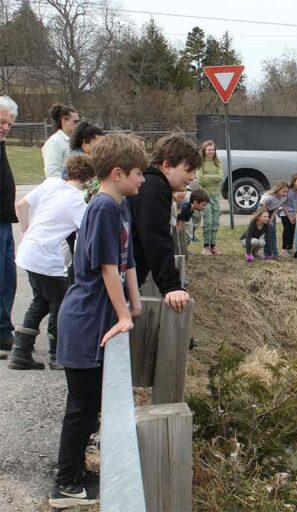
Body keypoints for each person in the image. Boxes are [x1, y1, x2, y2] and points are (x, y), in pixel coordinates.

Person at [49, 133, 147, 508]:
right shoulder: (103, 207)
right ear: (118, 173)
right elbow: (108, 268)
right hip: (85, 321)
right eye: (138, 173)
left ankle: (77, 471)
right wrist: (122, 314)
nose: (142, 180)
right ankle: (65, 484)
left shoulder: (120, 204)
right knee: (81, 407)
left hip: (99, 318)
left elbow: (128, 261)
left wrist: (134, 304)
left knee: (91, 405)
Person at [9, 155, 94, 370]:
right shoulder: (77, 201)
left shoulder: (51, 183)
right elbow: (88, 231)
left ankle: (21, 352)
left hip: (28, 250)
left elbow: (21, 205)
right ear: (89, 178)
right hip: (46, 258)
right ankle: (57, 354)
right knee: (61, 303)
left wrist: (26, 230)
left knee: (41, 301)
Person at [128, 134, 200, 312]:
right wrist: (171, 286)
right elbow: (156, 238)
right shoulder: (154, 187)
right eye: (189, 170)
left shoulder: (151, 183)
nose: (192, 176)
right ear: (167, 166)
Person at [0, 95, 18, 359]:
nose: (4, 127)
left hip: (5, 220)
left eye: (9, 125)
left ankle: (4, 329)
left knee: (8, 278)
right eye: (1, 122)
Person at [198, 140, 223, 256]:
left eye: (213, 149)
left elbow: (220, 177)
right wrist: (214, 178)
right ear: (204, 150)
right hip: (205, 195)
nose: (211, 151)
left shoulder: (218, 162)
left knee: (215, 221)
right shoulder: (201, 163)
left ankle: (213, 245)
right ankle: (206, 246)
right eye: (209, 149)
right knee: (207, 221)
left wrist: (208, 176)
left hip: (216, 194)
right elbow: (200, 179)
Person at [42, 104, 79, 179]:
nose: (78, 125)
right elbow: (52, 172)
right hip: (61, 188)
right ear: (64, 121)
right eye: (75, 122)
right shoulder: (55, 141)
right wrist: (68, 186)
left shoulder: (71, 141)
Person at [258, 181, 289, 260]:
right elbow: (265, 206)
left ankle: (275, 254)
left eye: (286, 192)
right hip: (263, 208)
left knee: (273, 231)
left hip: (272, 210)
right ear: (278, 190)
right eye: (283, 191)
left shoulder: (283, 197)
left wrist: (271, 219)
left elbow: (276, 208)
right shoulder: (271, 197)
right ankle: (267, 254)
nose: (285, 193)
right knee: (267, 232)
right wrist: (266, 218)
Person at [176, 189, 210, 254]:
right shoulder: (185, 209)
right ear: (195, 202)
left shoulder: (191, 209)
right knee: (185, 236)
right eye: (203, 205)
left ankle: (182, 250)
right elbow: (179, 227)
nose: (205, 207)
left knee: (188, 235)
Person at [281, 173, 297, 256]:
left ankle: (290, 248)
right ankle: (284, 249)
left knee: (292, 230)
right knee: (287, 230)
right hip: (284, 213)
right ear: (293, 182)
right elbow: (283, 205)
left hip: (292, 214)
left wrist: (294, 216)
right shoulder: (288, 191)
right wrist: (289, 216)